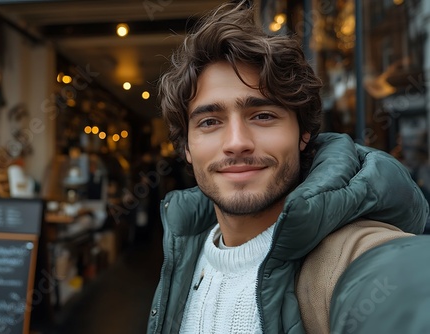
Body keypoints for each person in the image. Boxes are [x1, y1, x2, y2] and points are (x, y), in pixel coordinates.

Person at [147, 1, 430, 334]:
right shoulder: (186, 254)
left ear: (303, 134)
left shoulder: (348, 256)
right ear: (186, 148)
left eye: (263, 116)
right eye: (210, 121)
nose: (237, 142)